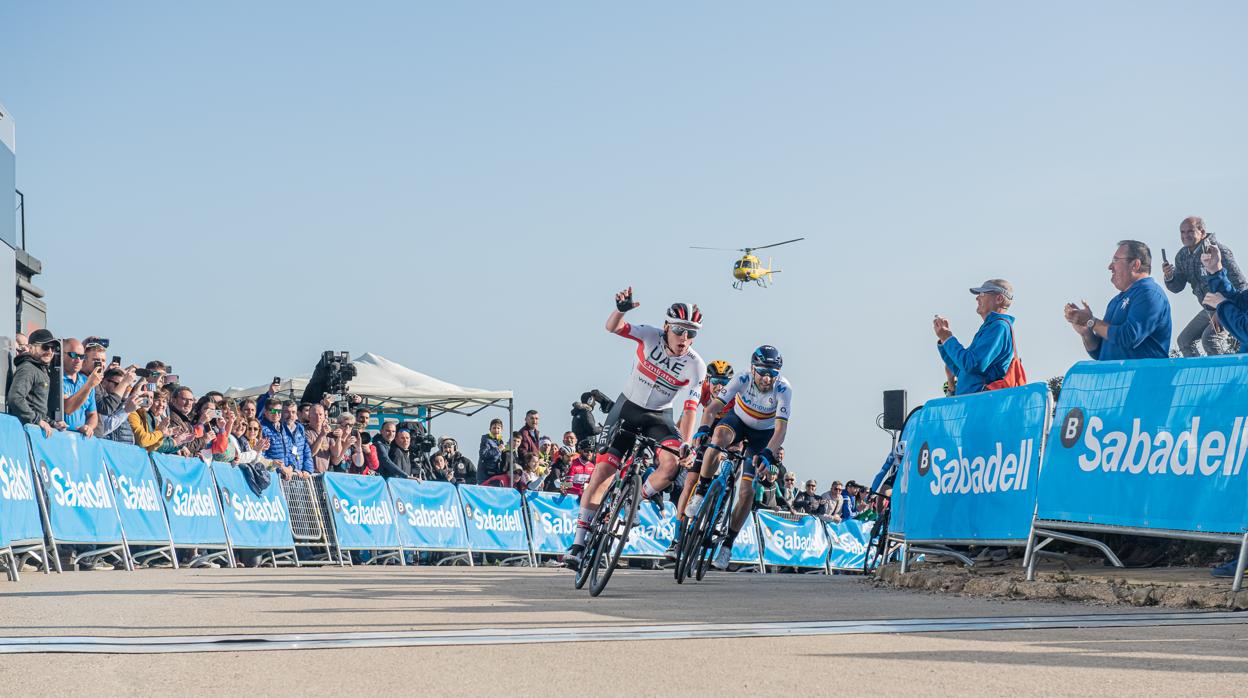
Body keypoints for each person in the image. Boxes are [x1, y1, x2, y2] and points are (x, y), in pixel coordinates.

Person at [563, 288, 707, 570]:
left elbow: (691, 408)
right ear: (667, 327)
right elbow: (613, 327)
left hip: (658, 417)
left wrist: (686, 443)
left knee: (672, 465)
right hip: (627, 408)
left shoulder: (695, 365)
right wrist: (622, 309)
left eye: (692, 333)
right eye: (679, 330)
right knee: (604, 472)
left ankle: (633, 499)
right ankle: (579, 544)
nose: (685, 338)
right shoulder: (650, 335)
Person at [686, 345, 791, 570]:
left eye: (772, 374)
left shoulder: (783, 389)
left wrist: (767, 454)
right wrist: (704, 428)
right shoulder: (742, 378)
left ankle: (727, 545)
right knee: (718, 437)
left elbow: (780, 432)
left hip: (763, 435)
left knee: (747, 492)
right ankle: (702, 491)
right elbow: (712, 409)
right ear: (753, 369)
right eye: (762, 372)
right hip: (738, 422)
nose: (766, 378)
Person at [1064, 240, 1172, 360]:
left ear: (1135, 265)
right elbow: (1099, 353)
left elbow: (1129, 337)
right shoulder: (1116, 301)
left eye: (1115, 260)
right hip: (1116, 377)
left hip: (1141, 377)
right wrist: (1086, 332)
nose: (1110, 267)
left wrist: (1091, 322)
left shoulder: (1150, 293)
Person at [1163, 216, 1245, 357]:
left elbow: (1241, 284)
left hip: (1229, 306)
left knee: (1209, 338)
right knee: (1184, 340)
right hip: (1208, 309)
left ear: (1202, 231)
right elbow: (1177, 287)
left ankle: (1223, 373)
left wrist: (1223, 310)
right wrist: (1170, 276)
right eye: (1182, 232)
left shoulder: (1219, 251)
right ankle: (1197, 375)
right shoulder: (1182, 255)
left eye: (1190, 231)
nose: (1185, 236)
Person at [933, 279, 1025, 395]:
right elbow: (962, 371)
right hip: (975, 402)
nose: (977, 298)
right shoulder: (991, 327)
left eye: (982, 294)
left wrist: (948, 338)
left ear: (999, 299)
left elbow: (972, 365)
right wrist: (944, 340)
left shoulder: (998, 326)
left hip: (982, 404)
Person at [6, 328, 61, 437]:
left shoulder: (39, 369)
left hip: (31, 432)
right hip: (23, 433)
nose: (50, 351)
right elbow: (15, 398)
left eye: (53, 348)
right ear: (31, 348)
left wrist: (53, 423)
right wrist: (37, 421)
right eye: (45, 347)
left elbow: (36, 407)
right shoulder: (28, 368)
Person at [61, 338, 102, 438]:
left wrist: (89, 427)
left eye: (81, 356)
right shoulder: (57, 379)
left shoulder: (85, 380)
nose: (78, 360)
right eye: (73, 355)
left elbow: (92, 414)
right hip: (60, 437)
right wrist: (89, 385)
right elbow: (68, 408)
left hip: (79, 441)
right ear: (62, 355)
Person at [478, 418, 507, 484]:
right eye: (494, 428)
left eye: (498, 428)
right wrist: (497, 449)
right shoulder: (486, 440)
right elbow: (483, 455)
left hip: (496, 472)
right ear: (490, 429)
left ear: (502, 430)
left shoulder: (500, 441)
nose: (496, 430)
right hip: (486, 474)